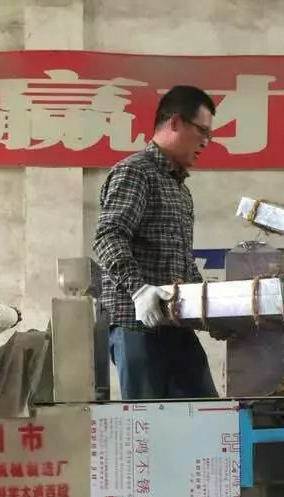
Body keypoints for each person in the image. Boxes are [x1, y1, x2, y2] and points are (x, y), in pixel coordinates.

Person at [92, 85, 219, 401]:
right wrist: (138, 290)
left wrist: (211, 311)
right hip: (136, 326)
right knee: (147, 420)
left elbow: (183, 264)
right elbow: (108, 236)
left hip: (175, 325)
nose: (206, 142)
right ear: (175, 122)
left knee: (205, 412)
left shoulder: (179, 189)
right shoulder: (136, 172)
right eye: (202, 131)